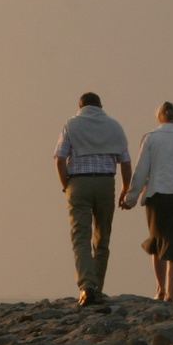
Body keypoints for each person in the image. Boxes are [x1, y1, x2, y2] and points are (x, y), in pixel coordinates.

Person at [122, 102, 173, 302]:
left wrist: (130, 198)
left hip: (157, 193)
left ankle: (160, 289)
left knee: (157, 241)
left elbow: (141, 170)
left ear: (159, 117)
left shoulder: (151, 138)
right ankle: (171, 292)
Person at [54, 92, 131, 307]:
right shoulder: (114, 126)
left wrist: (65, 185)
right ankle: (97, 288)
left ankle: (86, 285)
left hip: (79, 182)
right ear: (101, 106)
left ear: (80, 106)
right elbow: (125, 162)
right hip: (106, 182)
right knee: (102, 237)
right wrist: (126, 189)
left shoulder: (71, 124)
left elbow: (59, 159)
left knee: (81, 236)